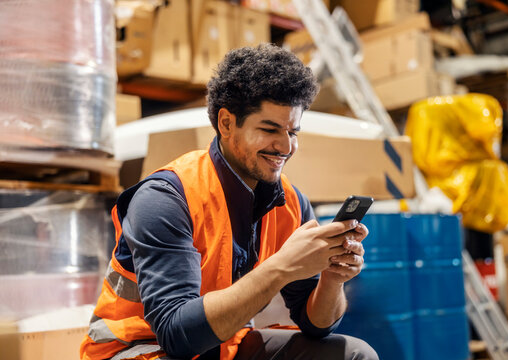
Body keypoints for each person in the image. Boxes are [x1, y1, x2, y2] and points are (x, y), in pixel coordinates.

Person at [80, 44, 378, 360]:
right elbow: (177, 336)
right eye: (269, 129)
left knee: (354, 355)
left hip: (220, 348)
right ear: (226, 123)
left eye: (293, 131)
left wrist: (333, 277)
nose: (285, 146)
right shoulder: (165, 199)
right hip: (138, 349)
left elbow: (314, 325)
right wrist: (282, 267)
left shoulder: (291, 204)